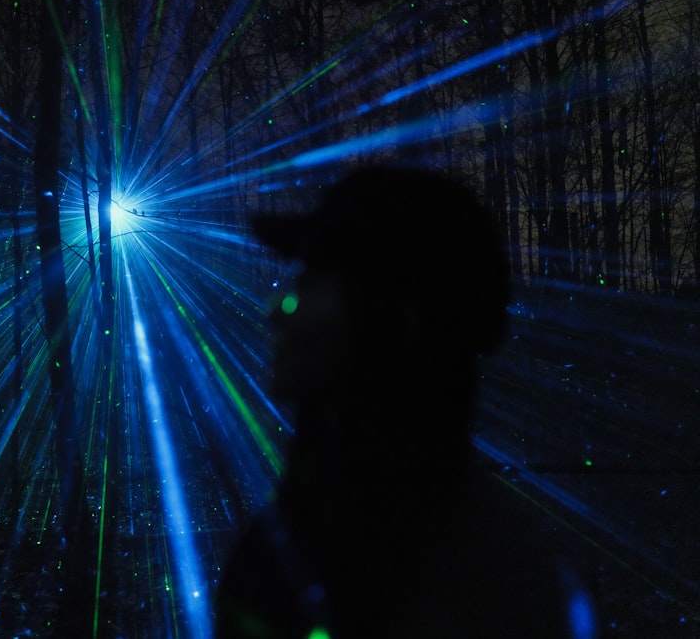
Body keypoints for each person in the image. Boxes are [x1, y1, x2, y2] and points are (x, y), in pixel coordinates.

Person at [214, 165, 596, 638]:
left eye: (309, 283)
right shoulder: (324, 524)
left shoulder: (475, 582)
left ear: (389, 319)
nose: (277, 311)